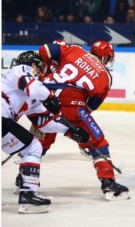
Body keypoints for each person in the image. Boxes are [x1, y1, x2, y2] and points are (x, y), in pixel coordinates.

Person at [34, 40, 130, 201]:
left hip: (43, 98)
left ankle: (24, 179)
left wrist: (46, 73)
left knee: (36, 144)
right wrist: (75, 128)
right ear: (105, 57)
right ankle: (108, 182)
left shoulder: (74, 50)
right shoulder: (105, 76)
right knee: (99, 144)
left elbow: (45, 49)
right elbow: (90, 107)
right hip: (72, 106)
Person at [2, 51, 89, 213]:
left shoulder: (30, 96)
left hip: (3, 122)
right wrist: (50, 97)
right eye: (39, 67)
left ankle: (28, 192)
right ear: (32, 64)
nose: (41, 72)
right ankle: (28, 194)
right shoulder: (21, 70)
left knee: (33, 146)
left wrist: (70, 130)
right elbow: (33, 87)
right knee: (33, 147)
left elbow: (44, 121)